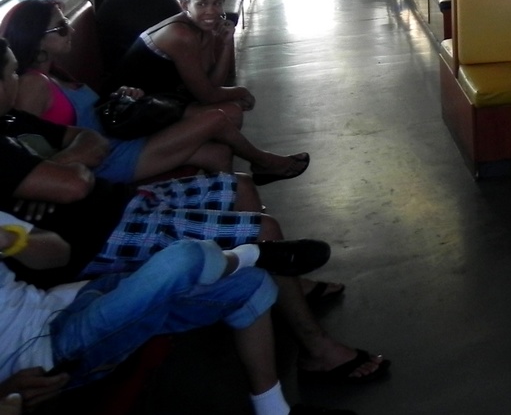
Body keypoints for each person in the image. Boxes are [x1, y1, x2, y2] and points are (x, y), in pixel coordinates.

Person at [0, 40, 387, 386]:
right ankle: (316, 350)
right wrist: (71, 171)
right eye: (13, 72)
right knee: (265, 229)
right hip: (100, 235)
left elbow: (93, 140)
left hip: (121, 202)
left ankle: (285, 286)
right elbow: (75, 186)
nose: (18, 78)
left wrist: (57, 165)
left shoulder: (13, 121)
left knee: (241, 186)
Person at [0, 223, 358, 415]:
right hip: (47, 353)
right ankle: (250, 253)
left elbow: (58, 253)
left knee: (251, 284)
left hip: (69, 299)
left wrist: (10, 238)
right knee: (180, 261)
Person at [2, 0, 308, 184]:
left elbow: (85, 115)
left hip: (116, 140)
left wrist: (122, 96)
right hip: (107, 160)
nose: (70, 31)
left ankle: (231, 219)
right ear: (36, 40)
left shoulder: (55, 75)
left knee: (218, 152)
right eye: (61, 28)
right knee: (215, 118)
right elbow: (29, 146)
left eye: (67, 23)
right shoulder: (32, 85)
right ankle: (264, 163)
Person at [116, 0, 256, 126]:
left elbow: (212, 84)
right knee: (232, 113)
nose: (211, 11)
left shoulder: (203, 26)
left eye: (217, 3)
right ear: (185, 5)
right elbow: (207, 97)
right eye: (201, 4)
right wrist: (241, 91)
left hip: (164, 101)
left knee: (228, 121)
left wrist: (227, 43)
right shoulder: (181, 34)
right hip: (131, 108)